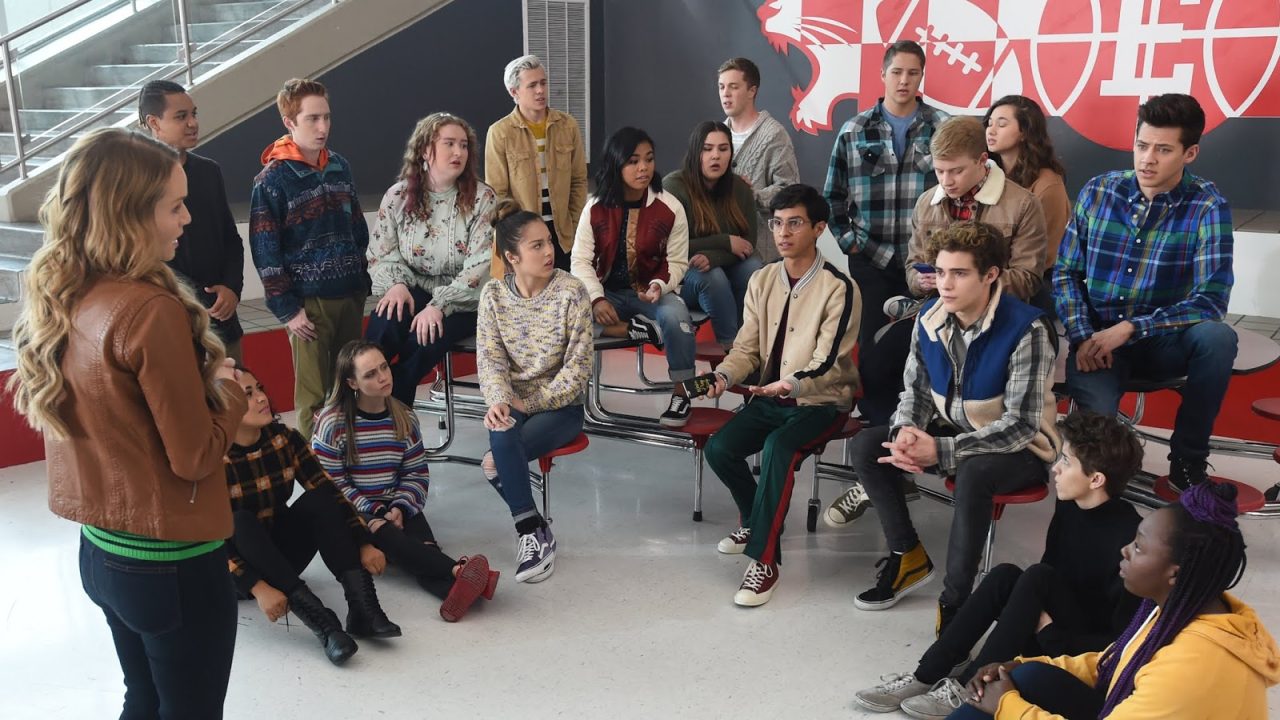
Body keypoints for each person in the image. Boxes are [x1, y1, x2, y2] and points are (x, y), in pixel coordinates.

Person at [7, 128, 249, 718]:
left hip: (102, 552)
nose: (187, 218)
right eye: (174, 206)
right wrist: (229, 393)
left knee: (142, 698)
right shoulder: (149, 310)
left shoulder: (67, 292)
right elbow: (194, 458)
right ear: (129, 215)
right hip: (170, 564)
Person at [840, 221, 1059, 635]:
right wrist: (906, 430)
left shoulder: (1027, 329)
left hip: (1021, 449)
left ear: (990, 275)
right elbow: (915, 391)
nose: (945, 284)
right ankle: (907, 556)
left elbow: (1021, 426)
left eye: (959, 273)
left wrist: (940, 451)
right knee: (869, 444)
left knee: (974, 471)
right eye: (940, 272)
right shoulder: (929, 317)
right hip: (955, 431)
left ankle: (956, 604)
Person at [855, 412, 1143, 718]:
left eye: (1067, 462)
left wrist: (1049, 632)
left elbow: (1121, 641)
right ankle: (924, 675)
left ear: (1096, 479)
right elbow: (1052, 574)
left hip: (1076, 653)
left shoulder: (1131, 539)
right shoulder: (1069, 503)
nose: (1056, 469)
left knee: (1038, 576)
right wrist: (1031, 614)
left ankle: (970, 687)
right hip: (1049, 624)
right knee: (1006, 575)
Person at [952, 482, 1279, 719]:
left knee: (1006, 699)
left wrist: (1008, 706)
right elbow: (1111, 663)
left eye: (1138, 547)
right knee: (1027, 677)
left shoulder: (1194, 664)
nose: (1124, 550)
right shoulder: (1181, 609)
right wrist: (1018, 664)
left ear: (1175, 574)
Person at [1054, 93, 1236, 493]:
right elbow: (1066, 273)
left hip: (1160, 342)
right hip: (1097, 339)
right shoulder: (1099, 192)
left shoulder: (1207, 205)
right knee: (1097, 449)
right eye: (1141, 145)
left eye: (1163, 150)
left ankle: (1187, 461)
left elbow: (1211, 299)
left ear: (1190, 153)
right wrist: (1083, 335)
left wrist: (1132, 328)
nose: (1147, 159)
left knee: (1218, 338)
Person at [703, 183, 860, 607]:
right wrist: (723, 376)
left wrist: (791, 384)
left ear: (819, 228)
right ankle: (757, 522)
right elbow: (746, 348)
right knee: (719, 449)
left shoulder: (839, 287)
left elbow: (828, 362)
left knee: (778, 448)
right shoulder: (762, 279)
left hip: (821, 401)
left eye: (794, 223)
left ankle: (765, 561)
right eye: (776, 223)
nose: (783, 233)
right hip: (770, 397)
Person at [846, 114, 1049, 431]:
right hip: (935, 308)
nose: (946, 180)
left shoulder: (1023, 204)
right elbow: (912, 265)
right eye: (939, 171)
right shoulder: (927, 202)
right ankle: (897, 437)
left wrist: (971, 283)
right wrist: (920, 279)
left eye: (956, 171)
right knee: (876, 362)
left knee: (966, 372)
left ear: (982, 160)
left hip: (997, 314)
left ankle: (948, 436)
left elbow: (1027, 278)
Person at [224, 366, 400, 667]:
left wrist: (363, 542)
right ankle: (325, 627)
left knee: (320, 498)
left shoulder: (284, 439)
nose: (262, 398)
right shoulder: (212, 461)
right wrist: (257, 586)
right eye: (248, 394)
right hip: (237, 572)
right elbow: (211, 542)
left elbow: (329, 491)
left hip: (280, 555)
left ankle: (363, 610)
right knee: (240, 522)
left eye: (259, 388)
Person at [312, 341, 499, 620]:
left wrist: (400, 506)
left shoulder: (404, 416)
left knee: (424, 550)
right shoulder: (332, 422)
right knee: (387, 532)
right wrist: (377, 511)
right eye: (370, 374)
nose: (383, 377)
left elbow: (415, 472)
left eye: (384, 367)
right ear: (352, 383)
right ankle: (459, 570)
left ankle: (456, 592)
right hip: (354, 511)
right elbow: (331, 484)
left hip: (397, 503)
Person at [824, 39, 949, 420]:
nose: (904, 81)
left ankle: (916, 422)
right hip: (871, 258)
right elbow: (832, 197)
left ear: (922, 76)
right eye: (897, 72)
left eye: (913, 73)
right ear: (882, 74)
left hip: (927, 262)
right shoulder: (854, 129)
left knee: (924, 343)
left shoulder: (942, 128)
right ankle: (876, 428)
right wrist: (850, 243)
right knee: (874, 348)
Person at [476, 200, 593, 583]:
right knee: (501, 431)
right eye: (537, 245)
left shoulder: (572, 292)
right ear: (512, 257)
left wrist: (526, 402)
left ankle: (532, 533)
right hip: (513, 400)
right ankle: (534, 531)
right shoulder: (493, 296)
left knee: (495, 461)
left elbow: (577, 373)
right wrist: (498, 400)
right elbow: (490, 359)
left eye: (549, 242)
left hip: (562, 407)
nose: (549, 252)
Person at [250, 78, 369, 438]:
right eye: (312, 119)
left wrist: (361, 279)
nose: (322, 127)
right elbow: (265, 249)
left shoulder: (340, 165)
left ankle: (350, 456)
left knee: (351, 387)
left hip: (349, 293)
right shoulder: (272, 180)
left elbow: (356, 227)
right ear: (289, 122)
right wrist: (287, 309)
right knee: (313, 398)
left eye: (326, 117)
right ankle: (315, 466)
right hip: (309, 304)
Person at [365, 112, 496, 407]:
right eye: (449, 143)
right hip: (412, 287)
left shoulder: (482, 198)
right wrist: (396, 285)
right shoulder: (398, 196)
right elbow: (381, 251)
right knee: (384, 324)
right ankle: (360, 401)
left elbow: (481, 267)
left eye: (463, 145)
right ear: (426, 150)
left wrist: (439, 306)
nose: (458, 152)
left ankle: (392, 413)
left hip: (462, 301)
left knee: (423, 339)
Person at [570, 126, 694, 427]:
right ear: (616, 164)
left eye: (649, 159)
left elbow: (677, 261)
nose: (644, 168)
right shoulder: (595, 208)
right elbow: (581, 260)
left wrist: (659, 285)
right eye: (634, 161)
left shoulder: (670, 207)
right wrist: (597, 298)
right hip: (608, 294)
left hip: (650, 293)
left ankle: (683, 393)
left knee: (676, 318)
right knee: (568, 315)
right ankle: (635, 329)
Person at [138, 80, 246, 361]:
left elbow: (230, 238)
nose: (192, 123)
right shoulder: (138, 181)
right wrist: (195, 298)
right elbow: (145, 256)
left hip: (222, 321)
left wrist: (232, 288)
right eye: (181, 116)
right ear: (154, 122)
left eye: (194, 114)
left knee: (236, 387)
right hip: (173, 322)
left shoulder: (209, 172)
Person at [662, 121, 763, 350]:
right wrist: (724, 242)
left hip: (725, 267)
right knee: (712, 276)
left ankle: (748, 346)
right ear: (695, 152)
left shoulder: (740, 188)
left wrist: (714, 257)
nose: (715, 156)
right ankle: (731, 348)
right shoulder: (673, 186)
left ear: (731, 153)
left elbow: (748, 244)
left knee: (754, 267)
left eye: (723, 149)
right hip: (681, 278)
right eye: (707, 149)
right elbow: (667, 246)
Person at [485, 54, 588, 274]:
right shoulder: (500, 132)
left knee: (566, 289)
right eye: (532, 85)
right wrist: (515, 234)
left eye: (543, 83)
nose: (540, 90)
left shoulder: (568, 125)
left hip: (564, 235)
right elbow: (498, 194)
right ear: (514, 92)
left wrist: (575, 223)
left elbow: (579, 181)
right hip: (524, 238)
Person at [984, 95, 1070, 312]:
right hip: (988, 279)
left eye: (1002, 124)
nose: (991, 130)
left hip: (1034, 288)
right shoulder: (987, 175)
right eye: (989, 123)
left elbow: (1043, 259)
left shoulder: (1048, 184)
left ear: (1024, 132)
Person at [717, 57, 800, 263]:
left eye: (733, 87)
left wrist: (753, 195)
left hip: (759, 250)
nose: (725, 93)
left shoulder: (774, 135)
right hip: (720, 245)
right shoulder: (715, 135)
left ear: (752, 91)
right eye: (721, 87)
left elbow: (790, 190)